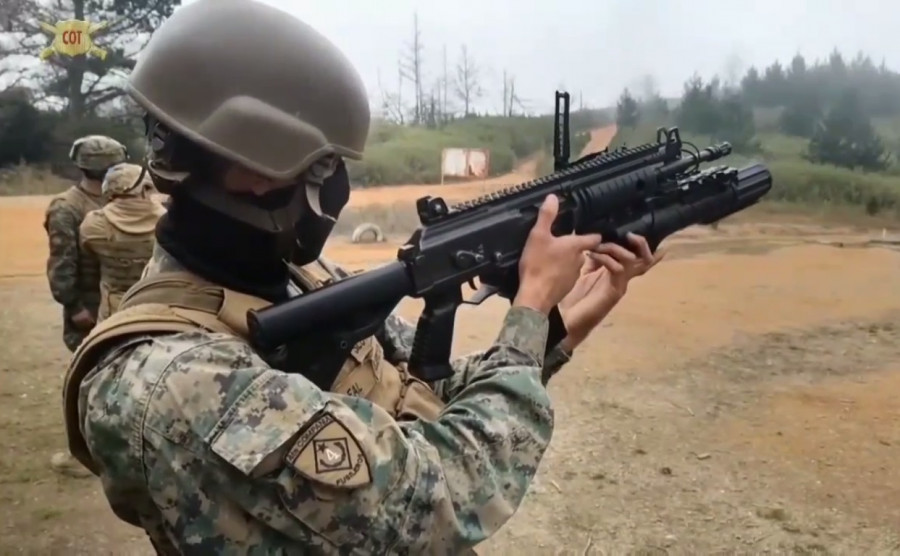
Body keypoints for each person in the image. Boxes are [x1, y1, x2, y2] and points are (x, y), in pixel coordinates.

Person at [61, 0, 665, 553]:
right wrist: (529, 304)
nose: (335, 186)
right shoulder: (174, 382)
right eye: (326, 166)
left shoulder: (291, 277)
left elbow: (427, 401)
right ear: (261, 171)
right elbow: (440, 499)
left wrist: (571, 315)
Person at [43, 134, 128, 351]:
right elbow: (62, 264)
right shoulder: (67, 207)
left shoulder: (124, 199)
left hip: (122, 303)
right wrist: (75, 308)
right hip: (91, 305)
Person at [78, 162, 165, 322]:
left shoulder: (94, 225)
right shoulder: (169, 221)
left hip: (114, 312)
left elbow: (88, 267)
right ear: (145, 188)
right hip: (160, 308)